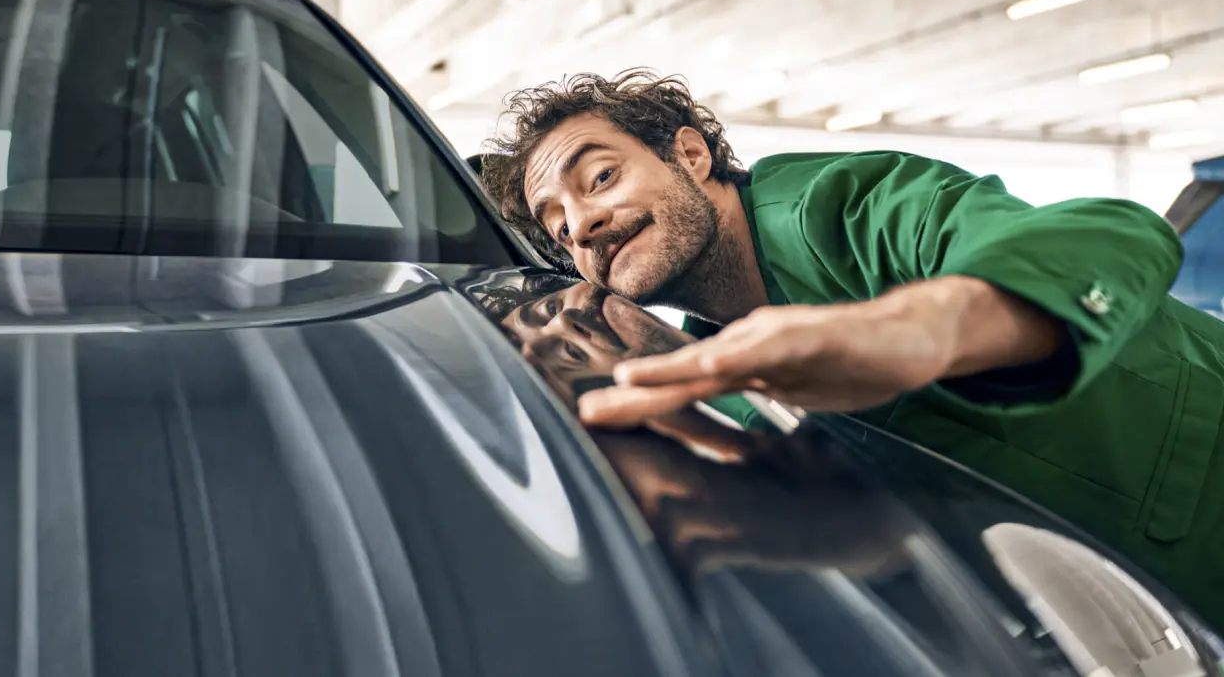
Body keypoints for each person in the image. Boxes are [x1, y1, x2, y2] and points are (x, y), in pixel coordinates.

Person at [479, 68, 1224, 627]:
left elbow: (1110, 234)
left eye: (599, 176)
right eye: (555, 225)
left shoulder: (846, 206)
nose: (580, 225)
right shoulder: (704, 357)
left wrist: (913, 328)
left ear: (691, 155)